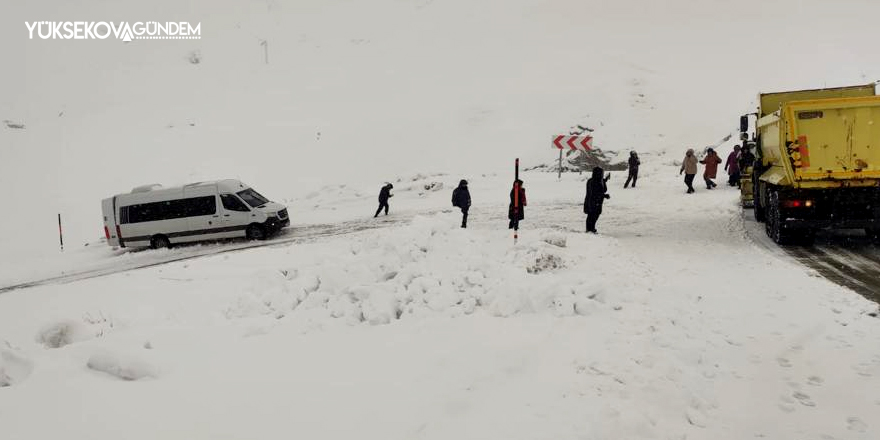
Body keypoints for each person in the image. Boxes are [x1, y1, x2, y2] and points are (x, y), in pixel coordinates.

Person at [584, 166, 611, 233]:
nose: (602, 174)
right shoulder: (594, 182)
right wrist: (605, 196)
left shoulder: (592, 180)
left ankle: (590, 229)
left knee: (592, 216)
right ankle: (590, 229)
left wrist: (605, 180)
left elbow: (602, 189)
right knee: (593, 216)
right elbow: (596, 193)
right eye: (601, 173)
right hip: (593, 202)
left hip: (593, 202)